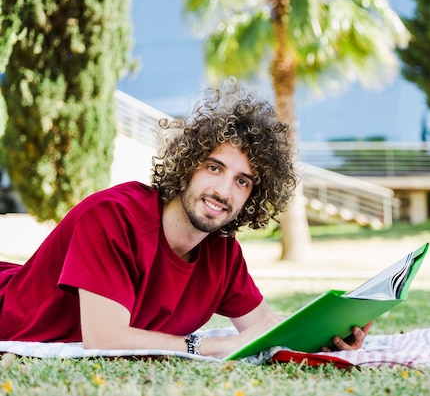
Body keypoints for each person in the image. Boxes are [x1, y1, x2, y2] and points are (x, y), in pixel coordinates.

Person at [0, 80, 371, 358]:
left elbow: (262, 330)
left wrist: (329, 338)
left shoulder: (221, 252)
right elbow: (105, 339)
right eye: (214, 168)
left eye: (242, 181)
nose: (223, 192)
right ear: (188, 166)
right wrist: (207, 345)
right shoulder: (112, 217)